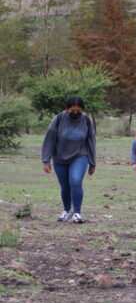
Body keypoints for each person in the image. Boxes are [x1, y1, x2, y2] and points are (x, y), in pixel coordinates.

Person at [41, 96, 96, 224]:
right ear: (67, 109)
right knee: (65, 185)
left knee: (75, 181)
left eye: (78, 110)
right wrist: (46, 160)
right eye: (72, 110)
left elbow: (91, 141)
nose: (75, 112)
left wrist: (92, 163)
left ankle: (77, 213)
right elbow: (49, 140)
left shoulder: (86, 120)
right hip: (60, 157)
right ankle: (66, 211)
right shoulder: (58, 119)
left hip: (80, 155)